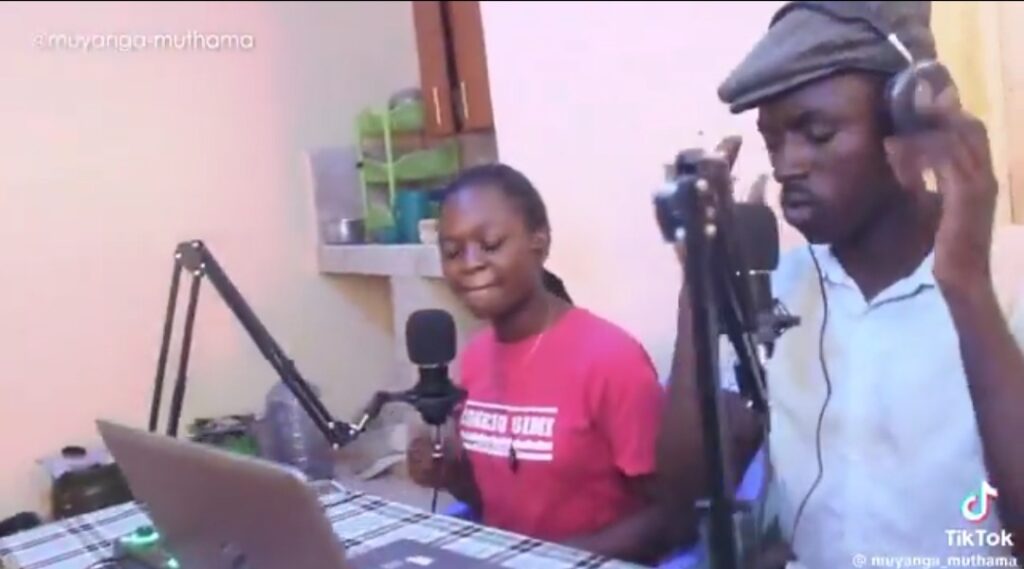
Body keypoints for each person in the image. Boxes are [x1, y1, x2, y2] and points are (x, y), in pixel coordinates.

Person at [655, 2, 1024, 568]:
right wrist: (699, 286)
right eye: (773, 141)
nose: (786, 165)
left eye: (817, 133)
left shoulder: (1010, 274)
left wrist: (967, 285)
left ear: (911, 130)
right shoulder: (777, 290)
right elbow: (681, 500)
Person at [406, 163, 673, 564]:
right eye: (452, 251)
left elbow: (672, 518)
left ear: (540, 241)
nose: (470, 263)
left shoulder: (612, 360)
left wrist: (551, 561)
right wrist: (452, 475)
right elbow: (498, 502)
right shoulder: (477, 356)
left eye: (491, 243)